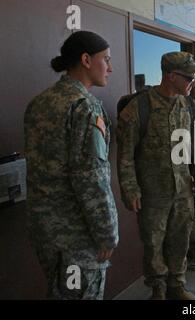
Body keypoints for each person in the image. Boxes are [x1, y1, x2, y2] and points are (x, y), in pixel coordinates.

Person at [24, 31, 118, 299]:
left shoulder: (38, 104)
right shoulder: (85, 108)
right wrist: (108, 233)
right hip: (78, 236)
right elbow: (91, 179)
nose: (110, 68)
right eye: (106, 60)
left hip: (45, 231)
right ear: (86, 60)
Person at [117, 51, 195, 300]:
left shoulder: (189, 105)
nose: (193, 82)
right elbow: (125, 155)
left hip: (184, 189)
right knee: (153, 244)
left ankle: (177, 286)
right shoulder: (140, 107)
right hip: (152, 193)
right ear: (170, 76)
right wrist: (130, 189)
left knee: (180, 239)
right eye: (189, 77)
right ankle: (158, 289)